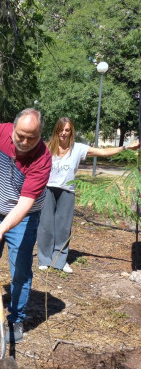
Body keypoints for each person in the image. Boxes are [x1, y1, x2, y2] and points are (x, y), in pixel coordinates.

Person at [0, 108, 52, 343]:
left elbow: (24, 204)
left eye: (31, 137)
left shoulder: (43, 159)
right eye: (20, 135)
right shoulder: (3, 131)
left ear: (40, 134)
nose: (24, 142)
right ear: (13, 129)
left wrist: (2, 229)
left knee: (20, 270)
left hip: (22, 218)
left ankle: (16, 318)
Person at [37, 117, 139, 273]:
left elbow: (103, 152)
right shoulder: (47, 147)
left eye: (67, 130)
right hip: (48, 189)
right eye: (61, 129)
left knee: (64, 228)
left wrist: (126, 148)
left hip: (67, 191)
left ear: (71, 132)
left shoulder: (78, 148)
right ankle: (44, 259)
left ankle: (59, 261)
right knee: (46, 226)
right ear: (56, 130)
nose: (64, 133)